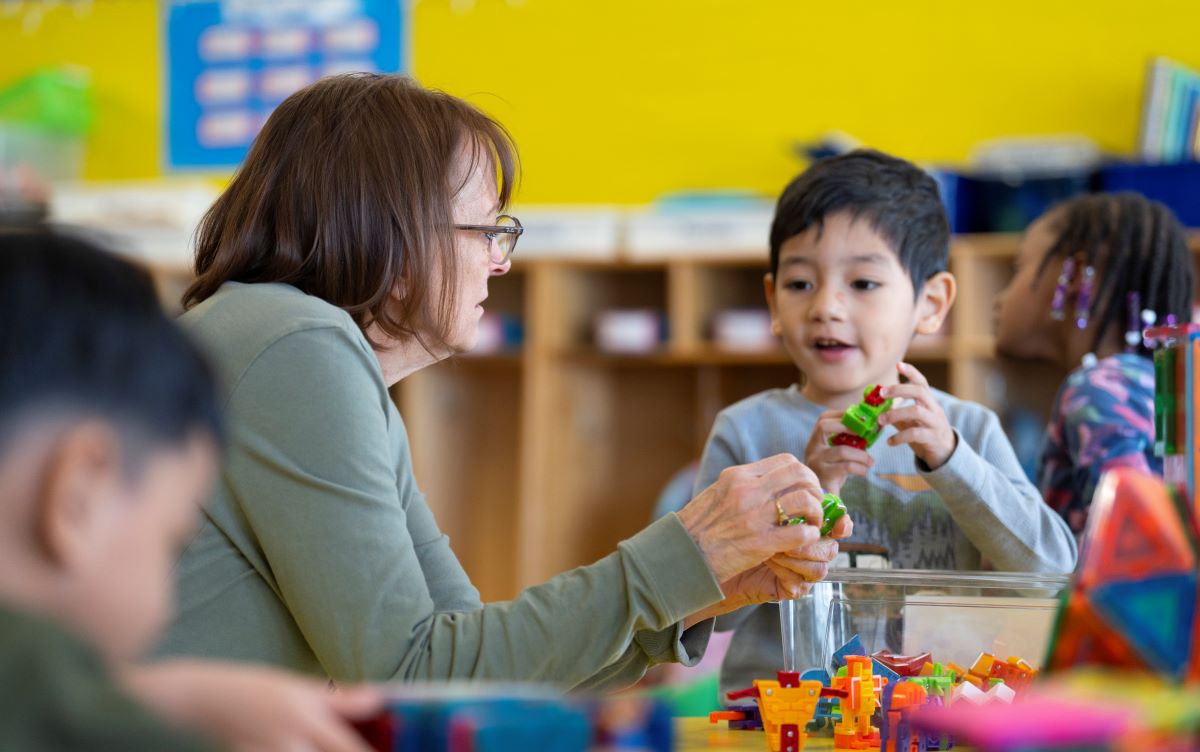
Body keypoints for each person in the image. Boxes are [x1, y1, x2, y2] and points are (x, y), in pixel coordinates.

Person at [155, 73, 851, 686]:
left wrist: (701, 586)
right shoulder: (298, 346)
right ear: (395, 231)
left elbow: (469, 665)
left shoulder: (299, 346)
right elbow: (413, 673)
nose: (500, 263)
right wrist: (679, 557)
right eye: (485, 230)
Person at [0, 230, 397, 752]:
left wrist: (155, 698)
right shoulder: (35, 695)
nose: (163, 607)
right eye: (171, 542)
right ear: (77, 495)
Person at [693, 150, 1078, 696]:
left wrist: (950, 459)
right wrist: (813, 488)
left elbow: (1050, 574)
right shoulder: (746, 430)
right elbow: (707, 614)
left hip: (932, 720)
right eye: (800, 283)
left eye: (864, 284)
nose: (826, 306)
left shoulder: (969, 428)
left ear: (931, 301)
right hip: (783, 724)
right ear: (772, 300)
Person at [994, 192, 1194, 536]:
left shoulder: (1102, 389)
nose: (1000, 298)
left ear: (1071, 277)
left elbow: (1134, 539)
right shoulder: (1153, 382)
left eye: (1019, 268)